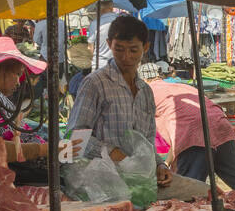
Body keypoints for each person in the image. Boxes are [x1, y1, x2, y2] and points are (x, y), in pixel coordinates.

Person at [68, 14, 171, 186]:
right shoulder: (95, 84)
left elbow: (147, 143)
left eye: (133, 50)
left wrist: (160, 165)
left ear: (145, 47)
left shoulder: (145, 92)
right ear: (109, 45)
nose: (126, 57)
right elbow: (75, 137)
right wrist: (112, 153)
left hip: (138, 180)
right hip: (100, 182)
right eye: (119, 49)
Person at [149, 79, 235, 197]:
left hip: (194, 131)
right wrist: (165, 163)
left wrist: (164, 164)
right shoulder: (177, 86)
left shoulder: (145, 91)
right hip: (219, 123)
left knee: (188, 192)